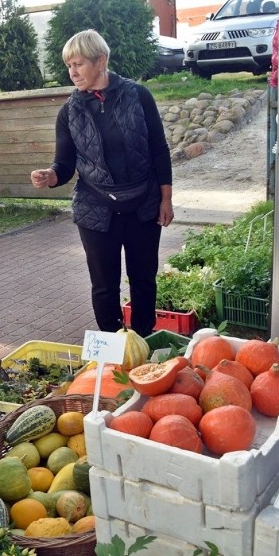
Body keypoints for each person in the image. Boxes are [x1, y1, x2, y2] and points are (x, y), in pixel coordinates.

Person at [30, 29, 174, 337]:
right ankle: (111, 346)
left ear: (101, 61)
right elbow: (65, 165)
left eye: (78, 63)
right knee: (104, 285)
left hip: (143, 205)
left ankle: (143, 339)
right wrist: (51, 176)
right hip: (96, 209)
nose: (72, 72)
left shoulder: (138, 96)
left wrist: (166, 199)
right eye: (69, 65)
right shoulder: (69, 111)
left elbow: (159, 149)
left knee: (144, 279)